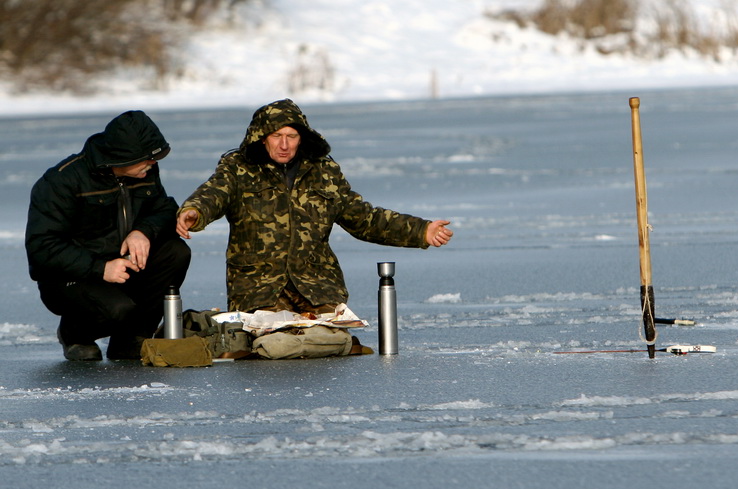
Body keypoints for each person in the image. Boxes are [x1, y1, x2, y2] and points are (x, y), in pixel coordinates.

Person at [176, 98, 452, 316]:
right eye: (276, 135)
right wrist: (194, 212)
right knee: (276, 341)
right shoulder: (238, 168)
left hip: (317, 284)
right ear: (262, 137)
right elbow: (213, 194)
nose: (284, 144)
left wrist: (420, 230)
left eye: (292, 136)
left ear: (302, 138)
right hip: (258, 288)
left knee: (328, 338)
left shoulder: (324, 172)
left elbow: (363, 218)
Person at [25, 110, 191, 361]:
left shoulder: (144, 171)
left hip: (124, 267)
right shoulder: (60, 181)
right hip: (75, 278)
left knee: (175, 252)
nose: (153, 164)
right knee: (118, 310)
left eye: (155, 158)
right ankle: (74, 334)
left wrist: (142, 231)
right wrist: (100, 268)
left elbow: (164, 209)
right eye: (147, 159)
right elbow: (42, 248)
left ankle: (131, 340)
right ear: (122, 156)